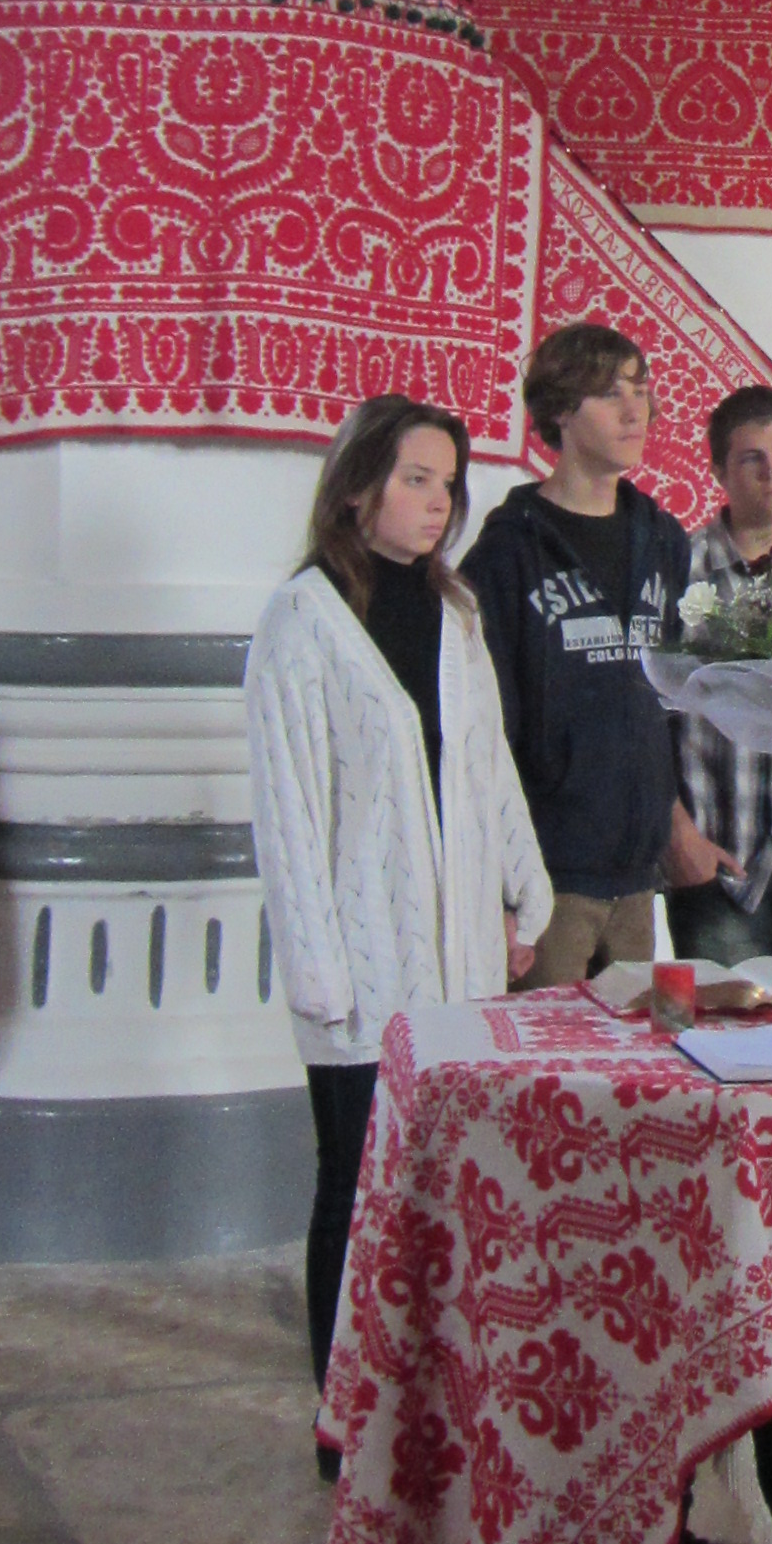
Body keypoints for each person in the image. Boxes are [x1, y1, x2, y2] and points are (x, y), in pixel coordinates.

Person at [246, 395, 550, 1404]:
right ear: (358, 486)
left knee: (453, 1179)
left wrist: (522, 891)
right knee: (355, 1180)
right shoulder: (303, 621)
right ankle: (344, 1410)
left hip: (459, 957)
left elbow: (485, 763)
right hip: (359, 962)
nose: (437, 502)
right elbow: (289, 813)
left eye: (448, 484)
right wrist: (320, 975)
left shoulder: (456, 614)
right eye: (416, 479)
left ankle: (435, 1396)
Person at [466, 321, 727, 983]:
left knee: (634, 1047)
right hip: (547, 879)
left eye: (640, 390)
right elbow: (483, 731)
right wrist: (501, 889)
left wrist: (675, 826)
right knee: (547, 1048)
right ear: (560, 409)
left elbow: (666, 704)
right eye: (611, 394)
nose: (635, 410)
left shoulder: (662, 539)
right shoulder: (507, 553)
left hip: (637, 878)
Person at [668, 386, 772, 968]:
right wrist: (679, 837)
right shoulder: (679, 571)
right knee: (727, 1021)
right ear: (718, 471)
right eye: (751, 457)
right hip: (719, 861)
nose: (771, 473)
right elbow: (645, 717)